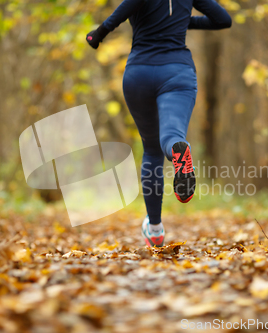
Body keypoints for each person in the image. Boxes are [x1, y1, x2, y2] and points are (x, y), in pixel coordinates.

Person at [86, 0, 232, 247]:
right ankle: (178, 148)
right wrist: (183, 22)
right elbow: (223, 20)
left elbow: (125, 9)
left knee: (151, 150)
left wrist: (99, 33)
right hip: (177, 72)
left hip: (139, 73)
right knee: (172, 135)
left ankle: (154, 229)